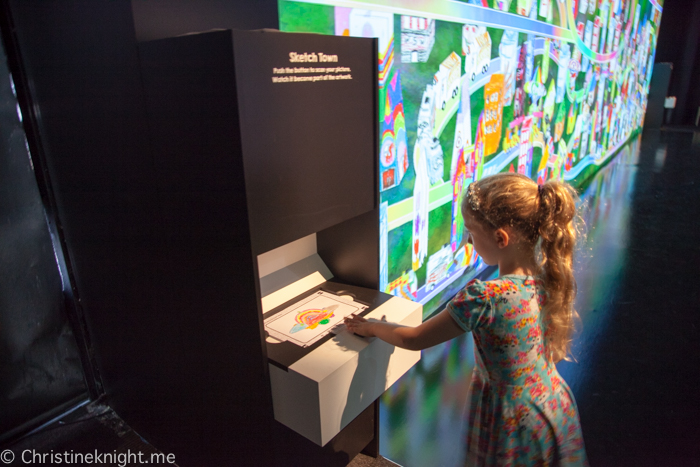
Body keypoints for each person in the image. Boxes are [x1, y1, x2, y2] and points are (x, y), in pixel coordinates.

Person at [344, 173, 588, 466]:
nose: (467, 240)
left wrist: (371, 326)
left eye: (471, 232)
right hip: (551, 404)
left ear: (500, 238)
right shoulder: (547, 279)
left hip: (511, 420)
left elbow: (414, 338)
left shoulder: (484, 297)